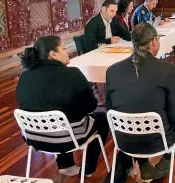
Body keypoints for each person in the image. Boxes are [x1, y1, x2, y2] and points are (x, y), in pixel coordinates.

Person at [106, 23, 175, 182]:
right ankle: (165, 163)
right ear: (154, 41)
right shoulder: (166, 69)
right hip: (157, 141)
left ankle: (143, 165)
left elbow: (110, 109)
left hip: (124, 139)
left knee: (135, 116)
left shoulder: (112, 70)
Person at [16, 36, 109, 178]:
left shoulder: (24, 76)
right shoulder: (72, 74)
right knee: (101, 117)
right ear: (53, 54)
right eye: (64, 48)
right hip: (66, 138)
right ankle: (88, 169)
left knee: (58, 114)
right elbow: (91, 106)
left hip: (34, 136)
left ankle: (66, 165)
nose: (67, 51)